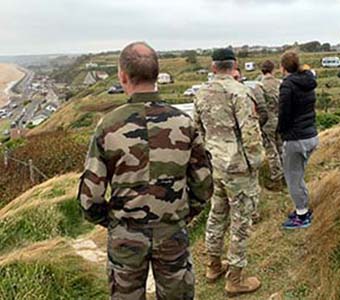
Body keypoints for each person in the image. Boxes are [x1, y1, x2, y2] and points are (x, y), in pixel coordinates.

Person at [77, 41, 214, 300]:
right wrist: (182, 215)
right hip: (172, 231)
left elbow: (90, 196)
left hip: (125, 235)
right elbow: (204, 184)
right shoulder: (184, 123)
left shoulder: (108, 126)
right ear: (156, 74)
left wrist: (113, 222)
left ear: (122, 76)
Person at [194, 48, 265, 297]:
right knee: (241, 222)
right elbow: (250, 133)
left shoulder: (201, 93)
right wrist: (256, 163)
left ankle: (213, 266)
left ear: (213, 67)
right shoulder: (240, 92)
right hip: (238, 168)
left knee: (217, 214)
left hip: (216, 164)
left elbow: (197, 130)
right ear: (234, 65)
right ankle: (235, 279)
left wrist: (207, 157)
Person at [278, 51, 319, 229]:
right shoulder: (308, 82)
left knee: (293, 178)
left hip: (296, 138)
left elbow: (284, 114)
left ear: (283, 67)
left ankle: (301, 215)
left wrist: (282, 132)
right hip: (310, 135)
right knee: (299, 174)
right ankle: (303, 207)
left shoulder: (287, 85)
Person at [232, 67, 267, 224]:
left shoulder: (205, 95)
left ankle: (212, 247)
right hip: (239, 156)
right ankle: (251, 217)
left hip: (217, 157)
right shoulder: (243, 94)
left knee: (219, 206)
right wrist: (256, 160)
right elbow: (250, 131)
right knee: (248, 193)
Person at [260, 60, 284, 189]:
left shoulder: (259, 86)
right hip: (279, 118)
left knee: (271, 150)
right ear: (273, 70)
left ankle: (276, 177)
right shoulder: (280, 83)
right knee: (281, 147)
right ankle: (287, 175)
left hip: (267, 121)